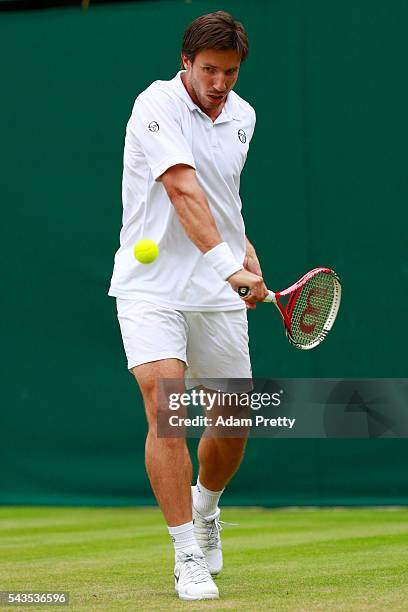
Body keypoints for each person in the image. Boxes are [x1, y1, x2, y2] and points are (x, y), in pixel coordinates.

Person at [108, 10, 268, 601]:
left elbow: (224, 201)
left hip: (215, 293)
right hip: (151, 286)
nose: (219, 83)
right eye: (208, 70)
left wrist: (245, 255)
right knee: (166, 408)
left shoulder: (245, 116)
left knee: (234, 420)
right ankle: (185, 554)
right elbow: (181, 189)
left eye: (229, 72)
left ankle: (206, 506)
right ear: (185, 64)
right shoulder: (155, 104)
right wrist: (230, 268)